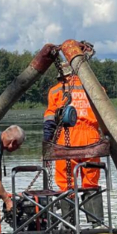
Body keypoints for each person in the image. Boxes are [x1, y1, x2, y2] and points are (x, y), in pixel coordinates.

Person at [43, 61, 101, 191]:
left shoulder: (55, 91)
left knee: (66, 184)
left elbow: (49, 120)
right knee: (91, 183)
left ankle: (68, 208)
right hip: (92, 139)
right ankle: (92, 209)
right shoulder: (96, 88)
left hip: (66, 139)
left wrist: (47, 143)